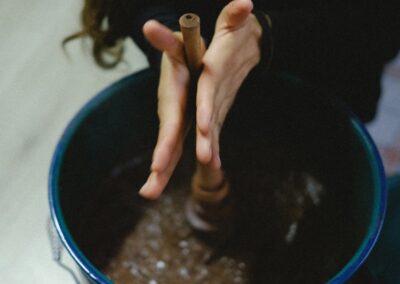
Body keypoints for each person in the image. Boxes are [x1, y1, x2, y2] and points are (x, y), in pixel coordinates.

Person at [67, 0, 399, 199]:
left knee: (322, 152)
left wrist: (266, 35)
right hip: (210, 66)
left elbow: (383, 20)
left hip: (326, 58)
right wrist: (167, 33)